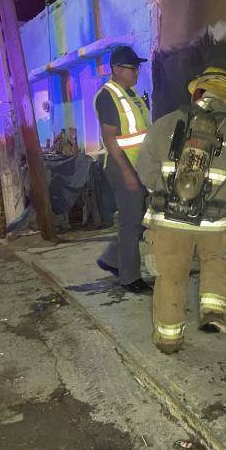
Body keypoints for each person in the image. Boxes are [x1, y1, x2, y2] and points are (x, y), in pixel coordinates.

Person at [136, 67, 226, 354]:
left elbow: (144, 172)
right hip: (216, 223)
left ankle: (168, 339)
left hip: (168, 219)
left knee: (170, 277)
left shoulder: (164, 124)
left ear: (197, 93)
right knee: (218, 258)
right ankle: (214, 309)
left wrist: (163, 192)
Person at [94, 45, 152, 294]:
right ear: (116, 69)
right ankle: (130, 277)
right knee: (131, 222)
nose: (136, 73)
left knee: (139, 219)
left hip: (139, 165)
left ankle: (112, 258)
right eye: (132, 68)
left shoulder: (132, 94)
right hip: (122, 166)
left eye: (137, 68)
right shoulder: (108, 96)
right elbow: (110, 138)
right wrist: (128, 174)